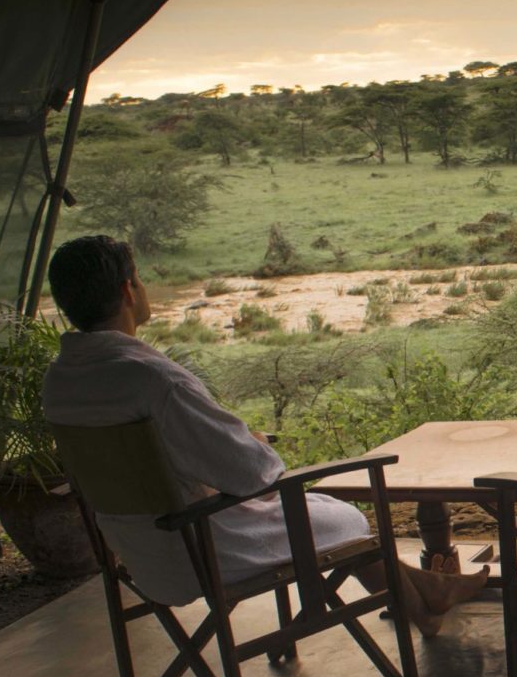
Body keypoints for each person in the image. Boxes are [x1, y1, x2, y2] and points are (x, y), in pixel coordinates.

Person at [39, 235, 485, 635]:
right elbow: (254, 473)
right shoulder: (153, 380)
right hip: (208, 551)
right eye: (139, 278)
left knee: (326, 520)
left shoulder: (60, 382)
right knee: (345, 520)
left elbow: (143, 464)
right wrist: (251, 442)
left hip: (141, 555)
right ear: (127, 291)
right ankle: (426, 599)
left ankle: (425, 600)